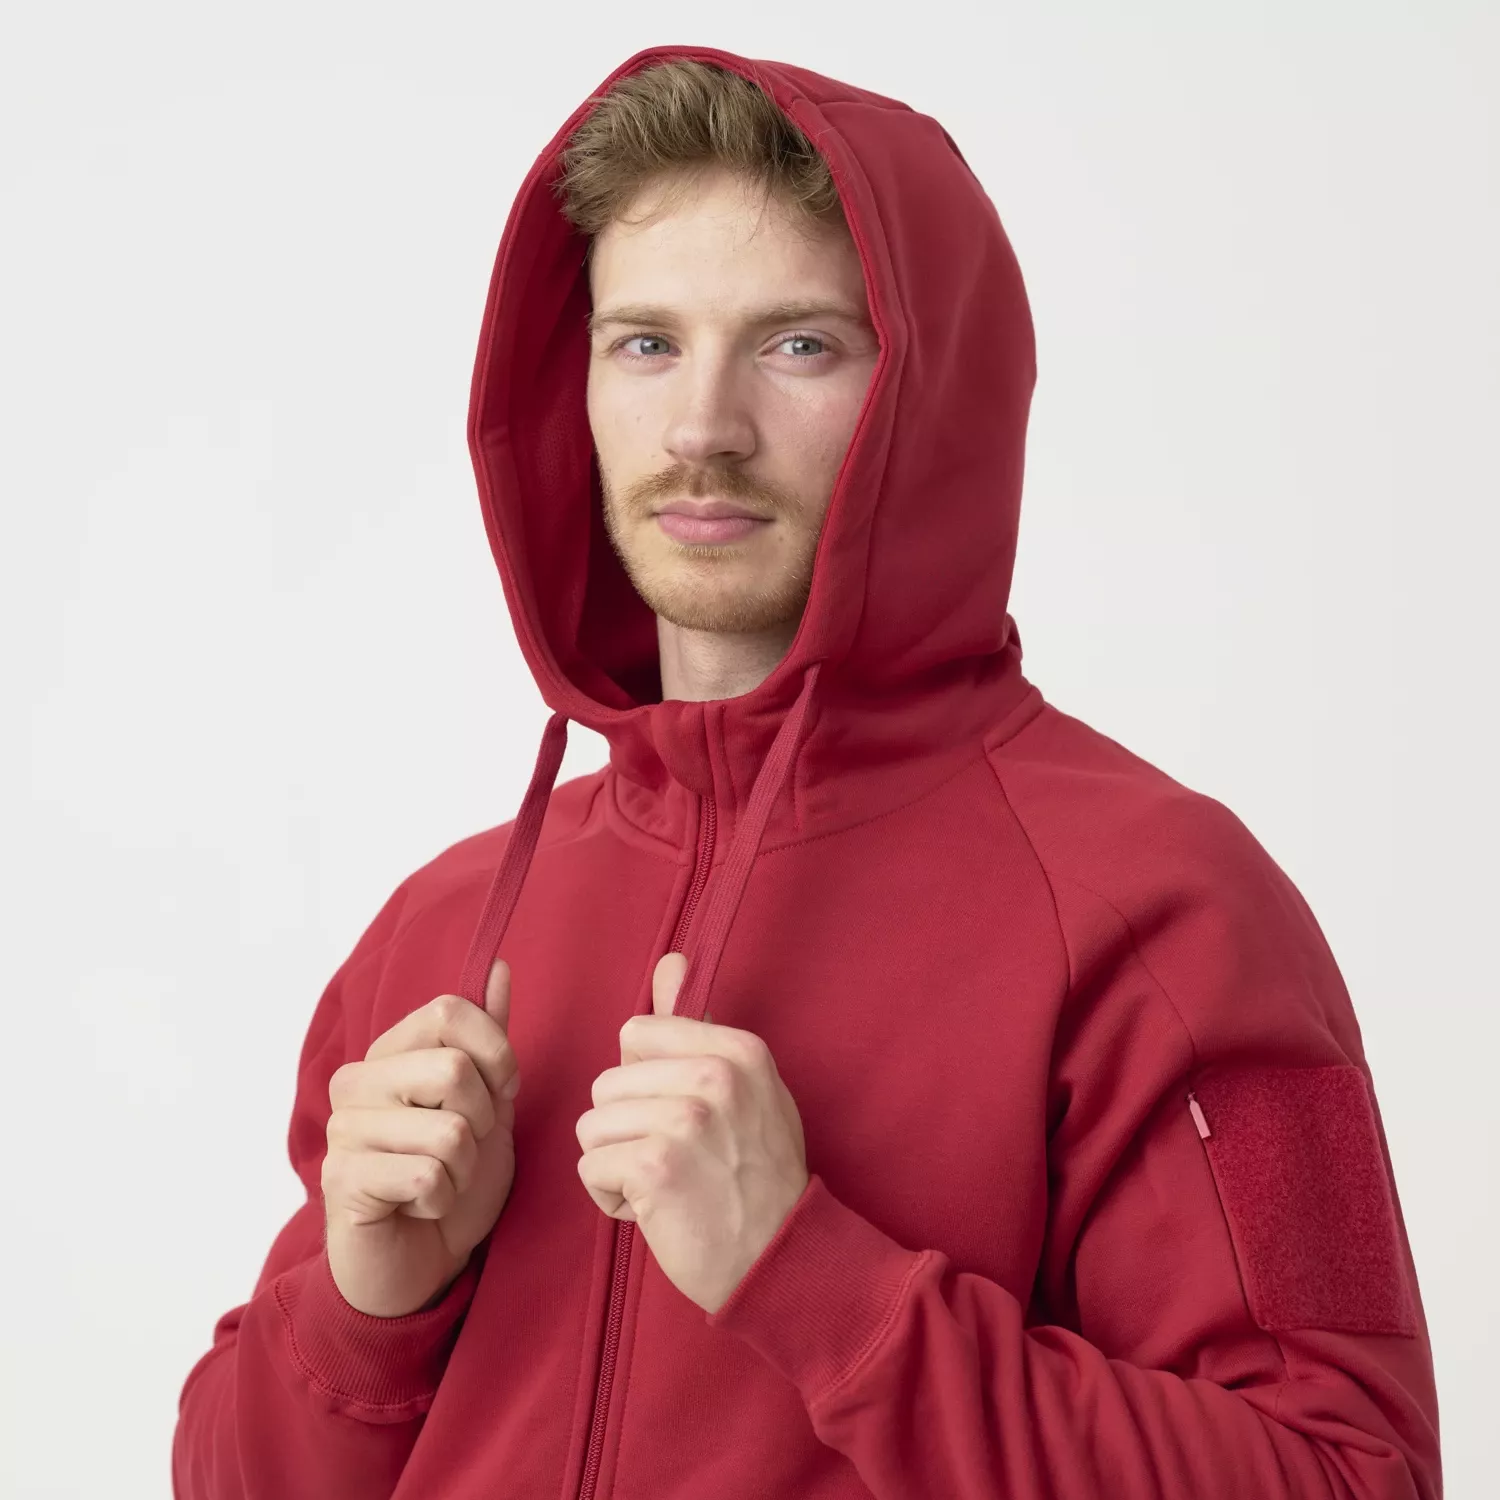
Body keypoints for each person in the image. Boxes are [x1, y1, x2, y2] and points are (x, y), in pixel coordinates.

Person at [172, 45, 1441, 1500]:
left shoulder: (1170, 908)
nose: (703, 428)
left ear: (933, 395)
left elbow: (1351, 1476)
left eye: (798, 346)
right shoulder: (442, 926)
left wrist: (810, 1277)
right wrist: (366, 1312)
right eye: (646, 343)